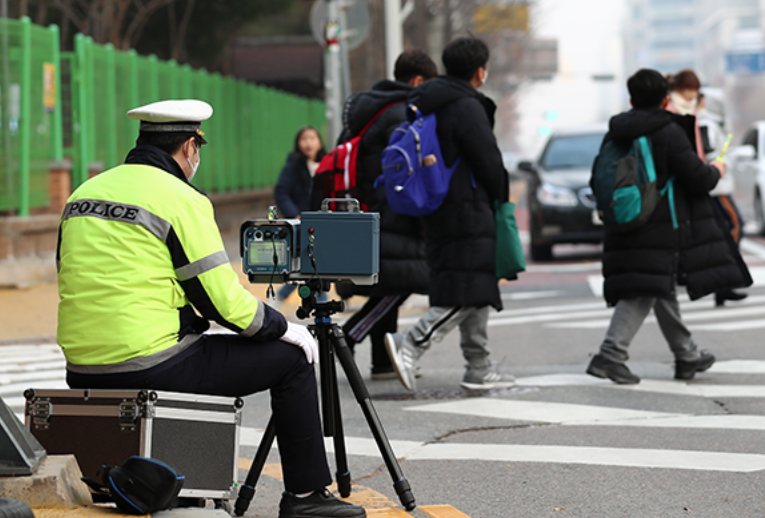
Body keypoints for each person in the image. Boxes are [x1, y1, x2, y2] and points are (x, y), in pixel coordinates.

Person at [55, 99, 366, 518]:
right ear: (188, 147)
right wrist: (283, 327)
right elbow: (223, 301)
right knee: (291, 360)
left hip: (82, 368)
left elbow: (79, 273)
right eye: (198, 149)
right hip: (151, 363)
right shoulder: (180, 198)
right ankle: (307, 497)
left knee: (204, 345)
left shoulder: (84, 193)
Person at [586, 69, 751, 385]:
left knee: (657, 286)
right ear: (665, 99)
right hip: (659, 225)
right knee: (644, 291)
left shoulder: (617, 131)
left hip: (625, 218)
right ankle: (610, 355)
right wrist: (716, 169)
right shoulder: (668, 131)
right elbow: (698, 179)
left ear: (631, 99)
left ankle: (687, 355)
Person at [384, 37, 516, 391]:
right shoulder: (465, 106)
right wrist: (501, 195)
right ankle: (410, 343)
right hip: (467, 208)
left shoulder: (430, 102)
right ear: (479, 70)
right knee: (467, 291)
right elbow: (487, 161)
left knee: (473, 283)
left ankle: (479, 366)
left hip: (438, 205)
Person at [332, 49, 436, 380]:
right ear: (418, 81)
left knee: (386, 282)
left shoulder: (367, 110)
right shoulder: (399, 114)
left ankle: (383, 361)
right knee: (404, 280)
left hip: (360, 211)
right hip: (393, 212)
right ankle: (349, 335)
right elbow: (404, 171)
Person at [697, 89, 748, 306]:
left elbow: (721, 147)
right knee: (734, 228)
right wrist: (718, 167)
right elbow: (710, 154)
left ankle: (724, 284)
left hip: (718, 185)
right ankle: (725, 278)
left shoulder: (712, 123)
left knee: (727, 231)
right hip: (717, 187)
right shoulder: (705, 123)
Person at [273, 126, 326, 305]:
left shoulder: (327, 164)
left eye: (312, 138)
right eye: (304, 139)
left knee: (312, 265)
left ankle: (280, 297)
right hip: (301, 224)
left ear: (320, 142)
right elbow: (282, 192)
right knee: (313, 264)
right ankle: (320, 303)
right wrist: (294, 215)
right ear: (298, 143)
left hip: (322, 223)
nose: (308, 143)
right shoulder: (293, 166)